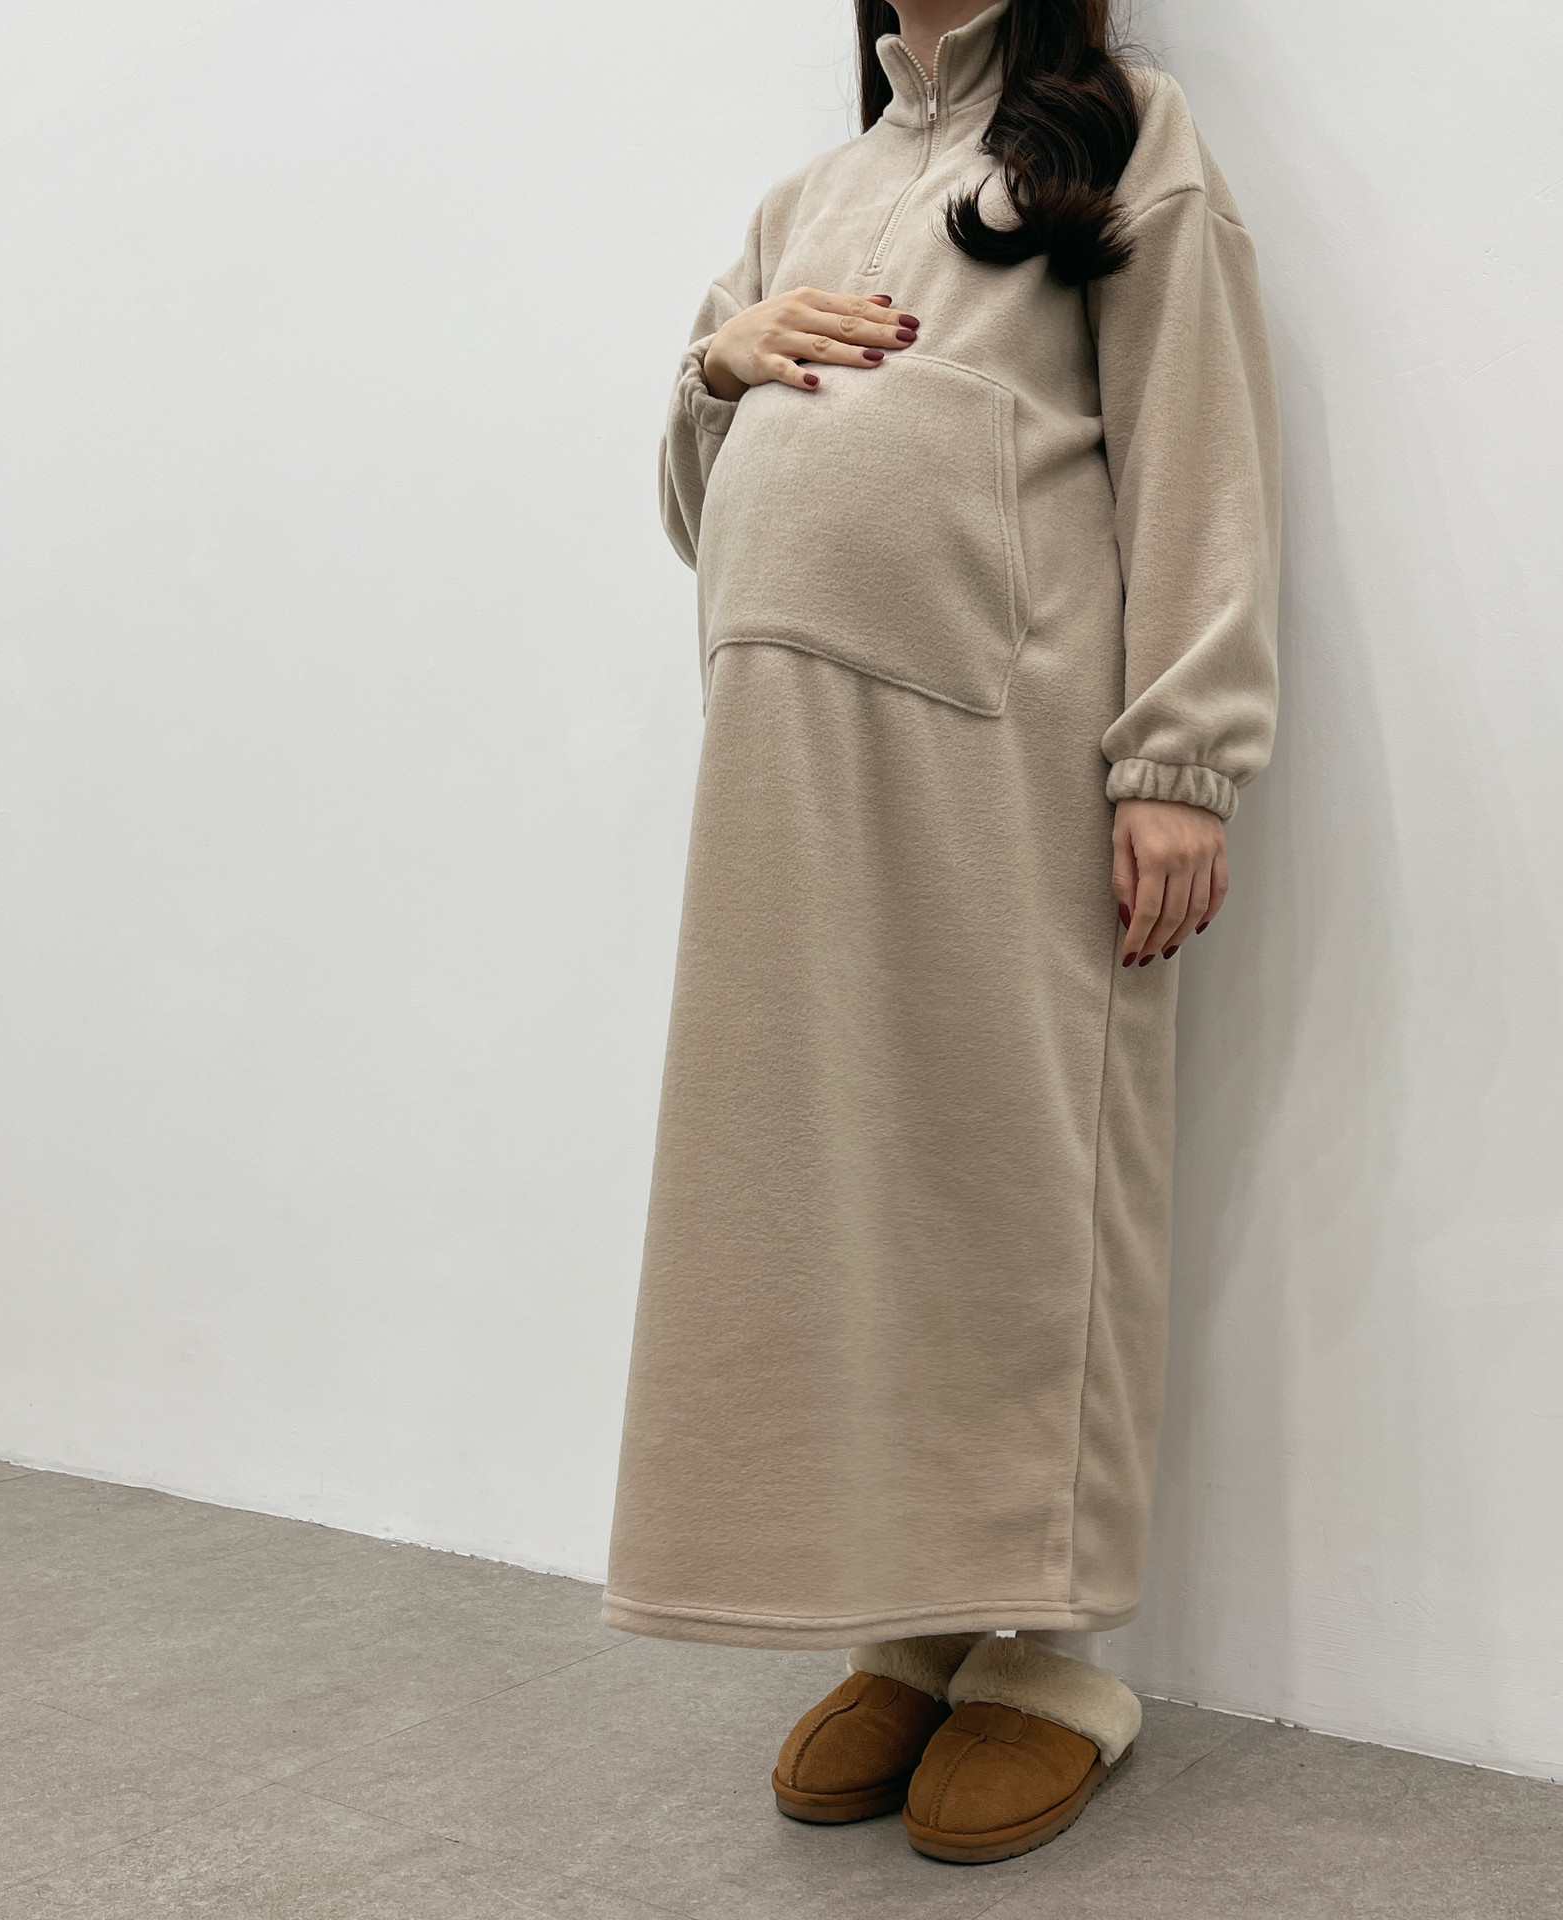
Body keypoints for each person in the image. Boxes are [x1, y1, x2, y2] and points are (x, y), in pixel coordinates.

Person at [603, 0, 1279, 1866]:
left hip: (1008, 748)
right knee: (823, 1181)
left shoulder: (1123, 137)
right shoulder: (805, 199)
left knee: (1014, 1165)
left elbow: (1200, 444)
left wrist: (1185, 756)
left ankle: (1046, 1649)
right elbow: (700, 510)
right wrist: (713, 368)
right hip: (787, 765)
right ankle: (909, 1618)